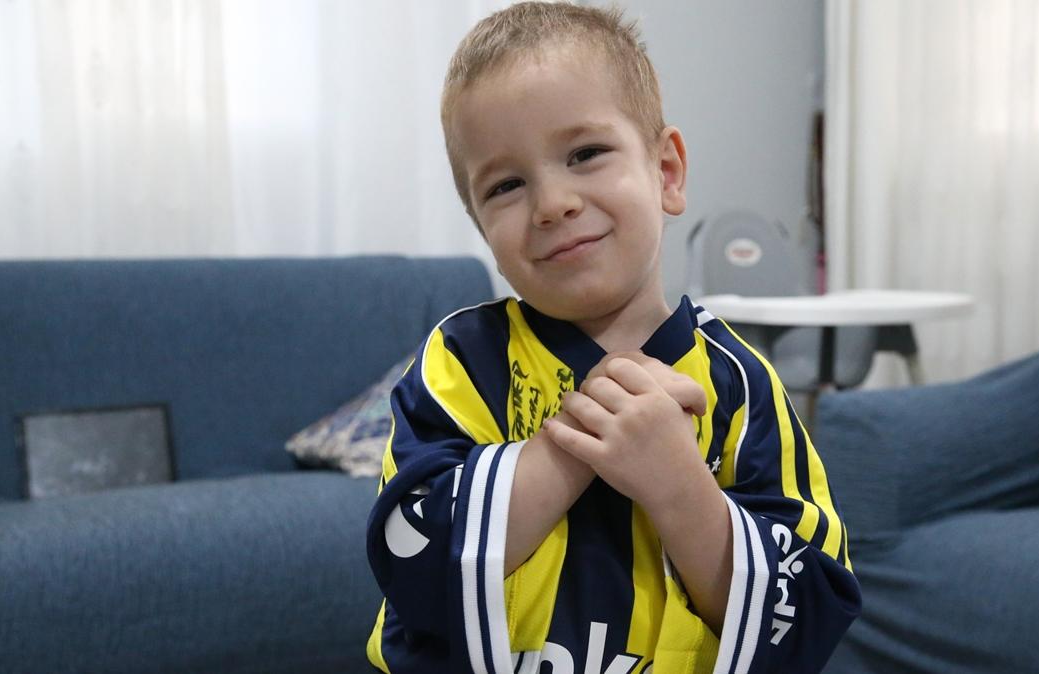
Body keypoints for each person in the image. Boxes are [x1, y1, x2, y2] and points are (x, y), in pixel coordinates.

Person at [364, 3, 860, 672]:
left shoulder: (741, 386)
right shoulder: (462, 361)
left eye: (586, 154)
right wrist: (570, 449)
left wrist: (679, 485)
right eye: (506, 185)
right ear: (483, 230)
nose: (553, 204)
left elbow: (809, 620)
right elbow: (410, 564)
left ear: (667, 172)